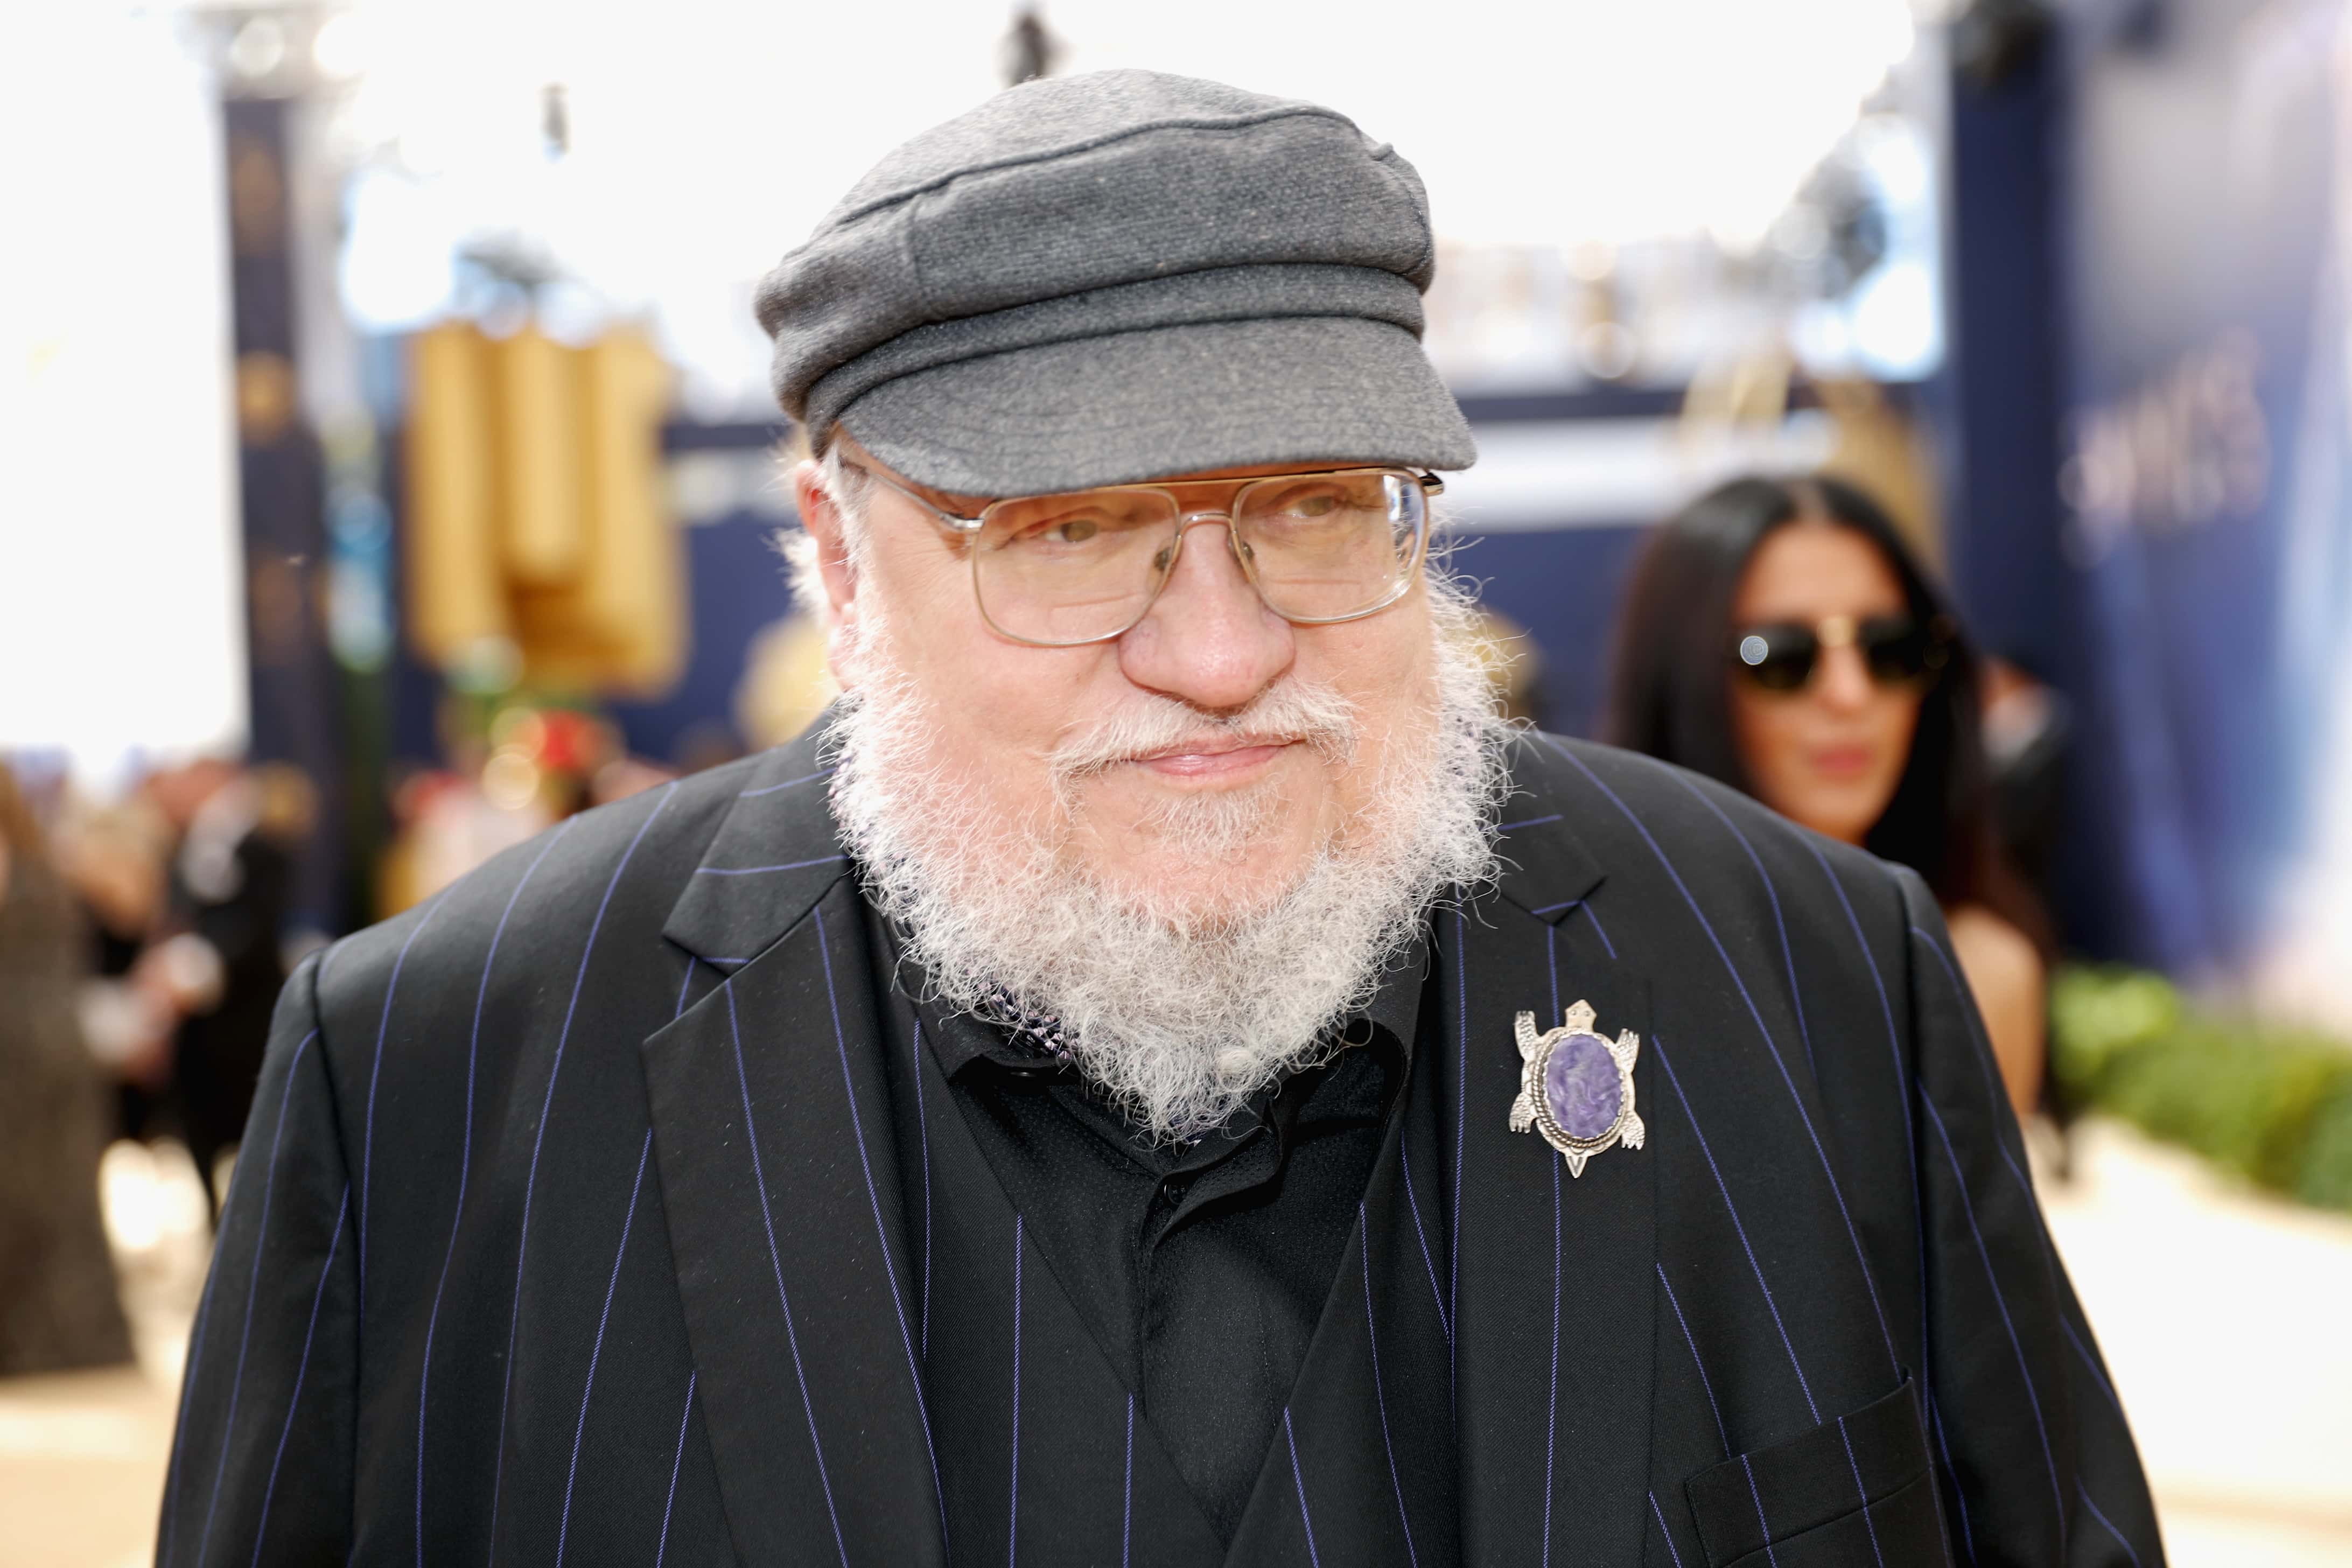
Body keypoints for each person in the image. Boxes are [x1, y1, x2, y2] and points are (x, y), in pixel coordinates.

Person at [162, 72, 2159, 1567]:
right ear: (838, 563)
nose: (1219, 651)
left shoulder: (1815, 985)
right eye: (1070, 529)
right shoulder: (437, 1080)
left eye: (1315, 505)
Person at [1607, 476, 2052, 1122]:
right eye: (1781, 655)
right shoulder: (1595, 957)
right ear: (1684, 681)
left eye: (1888, 648)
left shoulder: (1979, 971)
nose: (1850, 694)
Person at [0, 762, 135, 1376]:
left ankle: (30, 1343)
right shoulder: (49, 857)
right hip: (61, 1042)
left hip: (18, 1049)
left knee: (27, 1193)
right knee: (62, 1195)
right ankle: (72, 1339)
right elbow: (132, 902)